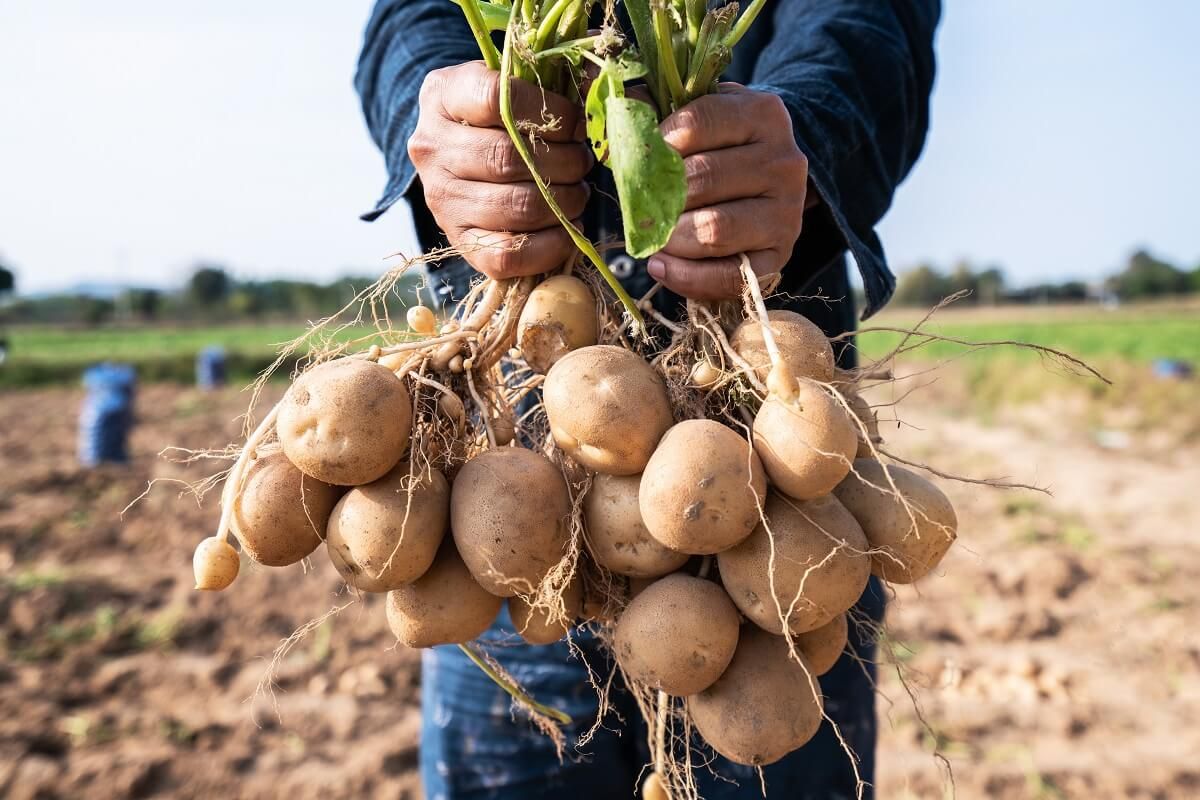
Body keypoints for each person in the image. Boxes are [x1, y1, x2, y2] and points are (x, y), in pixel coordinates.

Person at [355, 1, 939, 797]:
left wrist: (810, 132)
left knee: (774, 694)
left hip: (762, 493)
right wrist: (440, 105)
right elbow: (411, 18)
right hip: (512, 504)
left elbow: (868, 22)